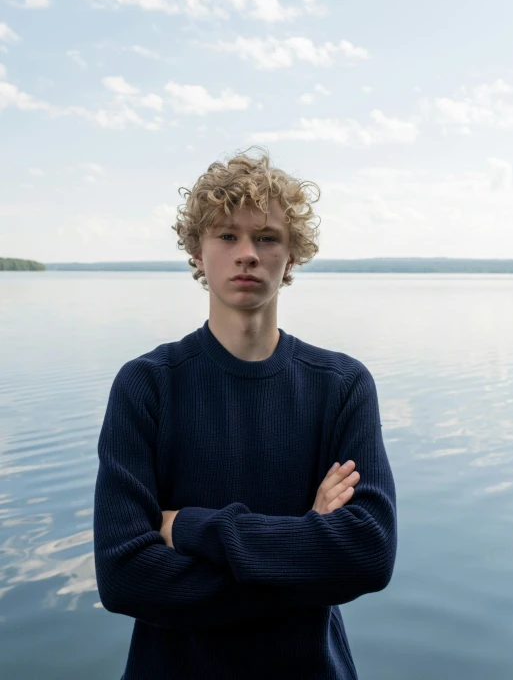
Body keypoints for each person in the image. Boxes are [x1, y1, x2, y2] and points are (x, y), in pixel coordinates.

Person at [93, 149, 397, 679]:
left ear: (292, 254)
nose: (247, 254)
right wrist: (305, 550)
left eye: (268, 237)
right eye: (227, 236)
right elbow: (124, 577)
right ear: (198, 251)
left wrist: (191, 526)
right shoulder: (147, 385)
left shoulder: (341, 385)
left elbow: (368, 554)